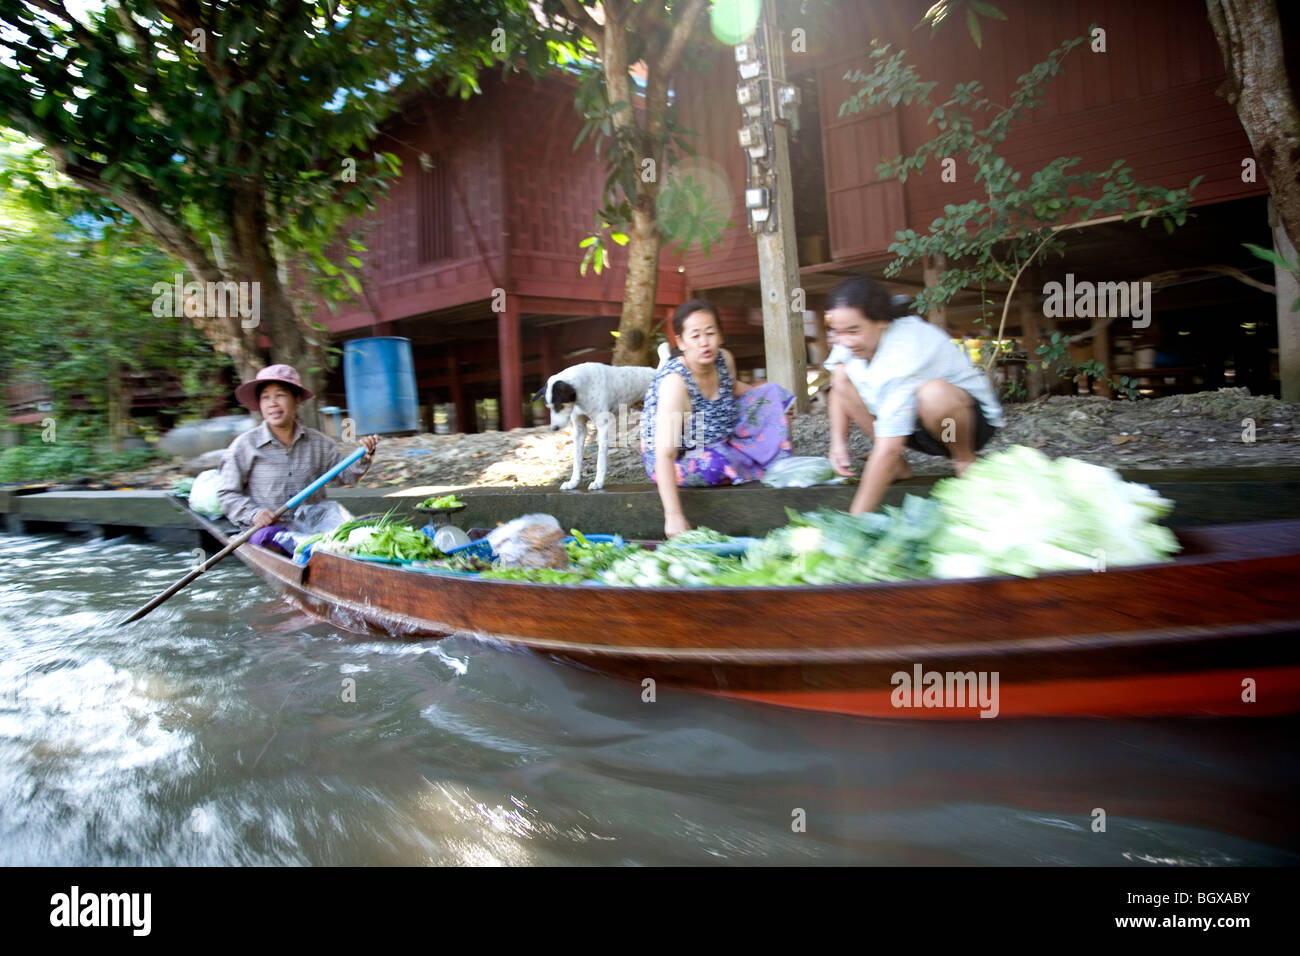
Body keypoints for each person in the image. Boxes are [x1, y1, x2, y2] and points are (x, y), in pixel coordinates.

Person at [824, 277, 1003, 516]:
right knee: (841, 375)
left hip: (962, 424)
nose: (846, 341)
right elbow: (839, 391)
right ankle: (899, 468)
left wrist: (854, 520)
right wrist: (838, 442)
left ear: (881, 322)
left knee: (934, 394)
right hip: (915, 427)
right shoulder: (850, 340)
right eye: (839, 332)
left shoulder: (905, 349)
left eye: (854, 331)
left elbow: (889, 450)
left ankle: (964, 459)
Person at [641, 299, 795, 537]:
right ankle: (748, 461)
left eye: (710, 333)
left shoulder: (723, 359)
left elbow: (730, 387)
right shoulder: (675, 383)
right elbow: (665, 453)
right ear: (681, 342)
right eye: (695, 336)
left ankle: (756, 460)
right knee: (717, 464)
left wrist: (772, 407)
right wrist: (673, 516)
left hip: (715, 436)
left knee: (774, 394)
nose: (704, 342)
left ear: (720, 336)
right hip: (675, 458)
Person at [217, 364, 378, 545]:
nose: (272, 403)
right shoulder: (244, 445)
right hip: (269, 530)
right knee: (268, 538)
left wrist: (363, 457)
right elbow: (227, 494)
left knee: (366, 528)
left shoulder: (319, 443)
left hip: (314, 527)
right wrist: (254, 513)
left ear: (296, 400)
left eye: (280, 395)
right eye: (266, 397)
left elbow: (347, 477)